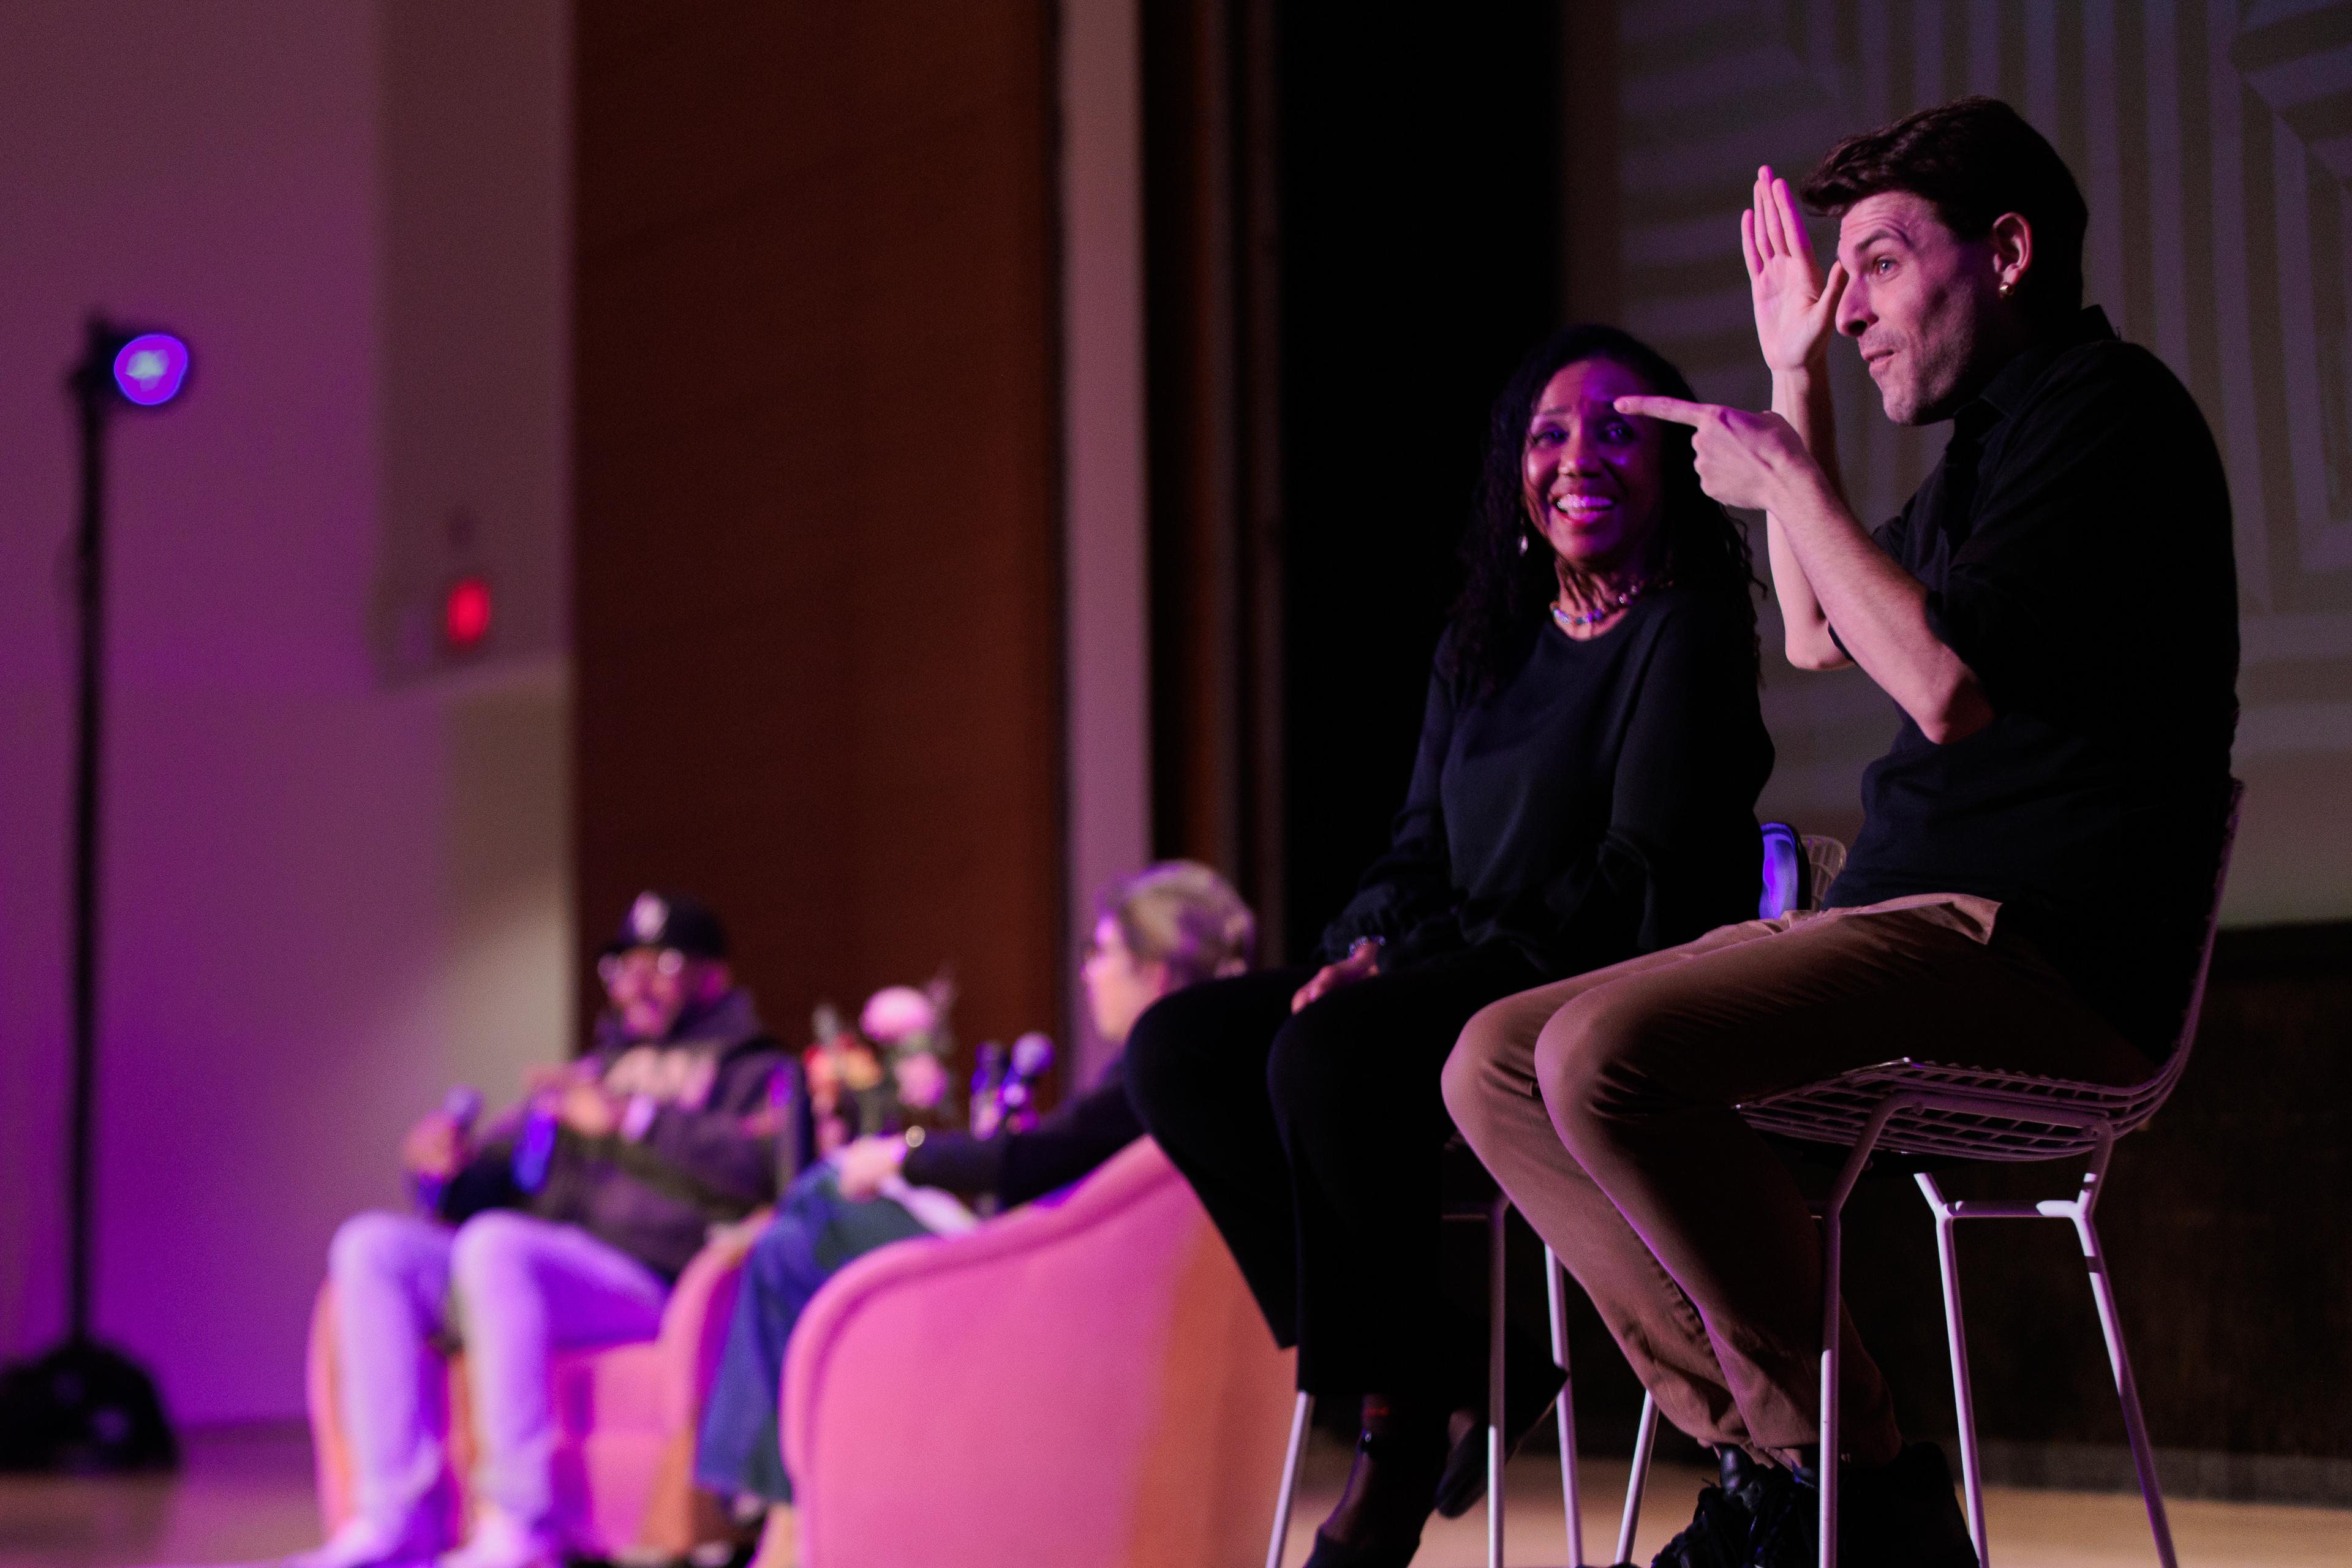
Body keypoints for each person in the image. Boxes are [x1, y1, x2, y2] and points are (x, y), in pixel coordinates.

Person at [1444, 97, 2239, 1568]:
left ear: (2002, 253)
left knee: (1596, 1056)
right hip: (1909, 930)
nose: (1847, 305)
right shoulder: (1989, 440)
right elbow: (1816, 630)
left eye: (1874, 264)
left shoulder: (2104, 414)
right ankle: (1798, 1465)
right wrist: (1786, 382)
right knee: (1487, 1062)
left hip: (2033, 951)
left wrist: (1790, 478)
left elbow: (1936, 685)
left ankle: (1847, 1476)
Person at [1125, 326, 1775, 1568]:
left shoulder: (1684, 632)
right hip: (1447, 965)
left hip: (1588, 976)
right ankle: (1456, 1357)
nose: (1579, 455)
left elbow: (1636, 874)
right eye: (1548, 432)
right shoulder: (1484, 642)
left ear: (1672, 465)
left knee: (1326, 1060)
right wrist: (1365, 942)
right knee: (1181, 1049)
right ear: (1512, 476)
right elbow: (1417, 844)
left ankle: (1396, 1429)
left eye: (1616, 429)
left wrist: (1408, 973)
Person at [692, 861, 1256, 1568]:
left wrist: (904, 1154)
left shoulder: (1156, 1064)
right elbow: (1054, 1163)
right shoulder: (1212, 1066)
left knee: (819, 1202)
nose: (1087, 974)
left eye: (1100, 953)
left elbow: (1026, 1164)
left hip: (1036, 1295)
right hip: (1043, 1269)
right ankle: (771, 1506)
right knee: (787, 1241)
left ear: (1156, 973)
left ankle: (761, 1501)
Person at [290, 892, 790, 1568]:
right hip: (532, 1269)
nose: (636, 984)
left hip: (647, 1283)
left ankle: (520, 1524)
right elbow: (494, 1185)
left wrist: (633, 1120)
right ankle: (392, 1518)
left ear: (713, 976)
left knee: (498, 1244)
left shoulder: (755, 1072)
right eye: (623, 967)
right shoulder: (587, 1072)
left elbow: (762, 1169)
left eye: (663, 964)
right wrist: (444, 1169)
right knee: (372, 1247)